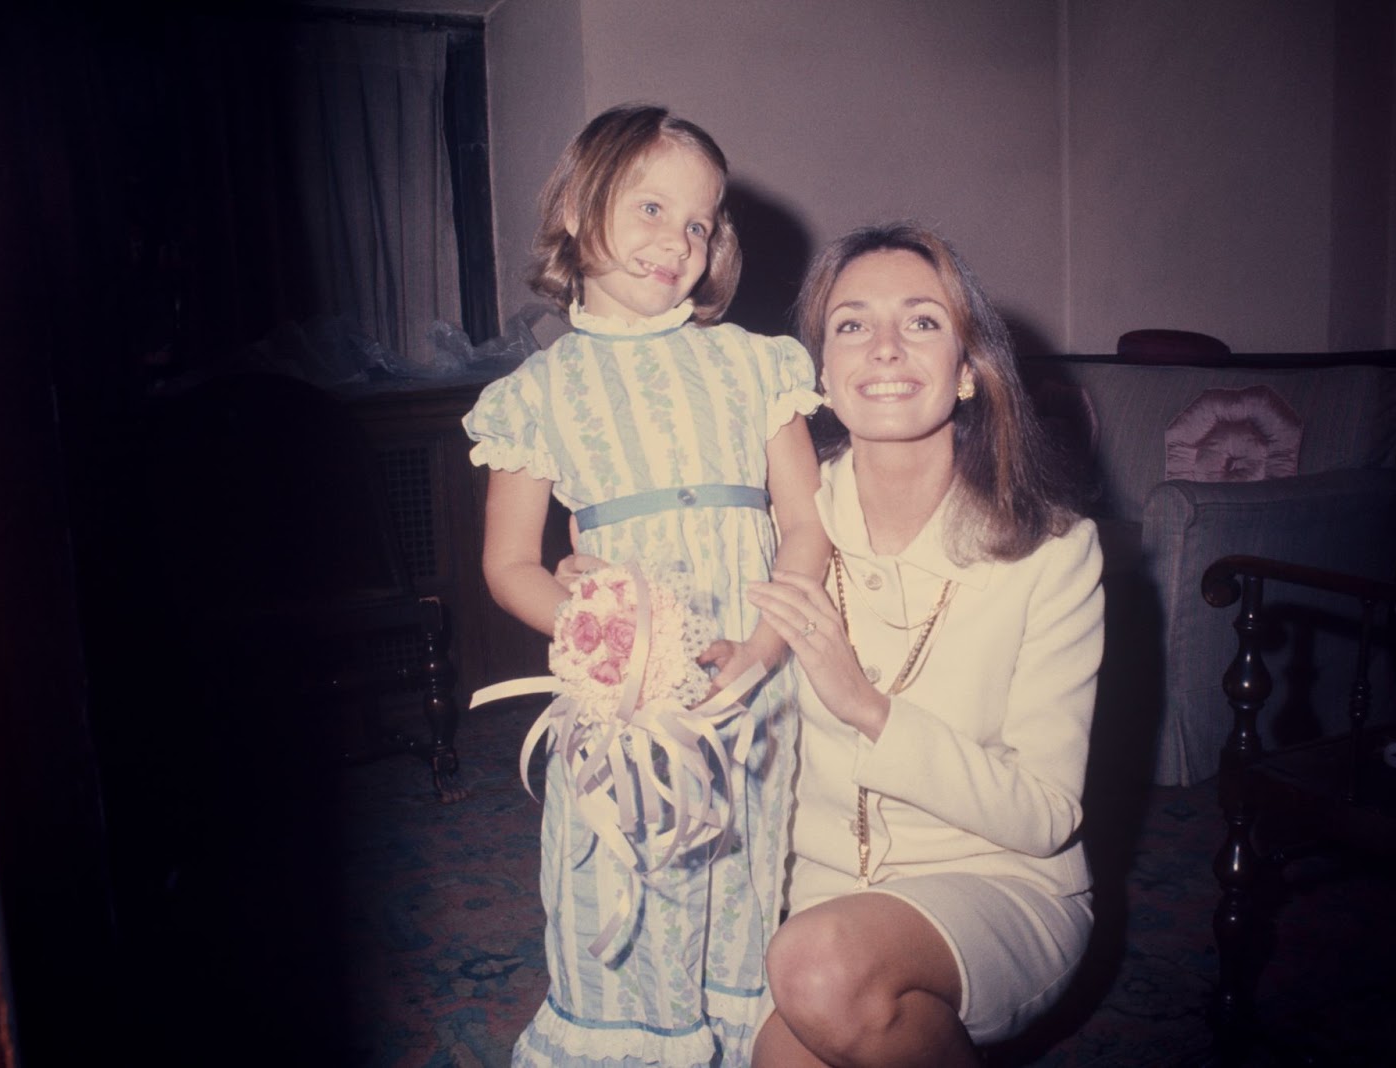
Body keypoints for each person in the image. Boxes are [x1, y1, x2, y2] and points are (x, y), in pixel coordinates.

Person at [463, 104, 828, 1067]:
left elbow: (805, 527)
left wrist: (764, 647)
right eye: (653, 208)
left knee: (745, 860)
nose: (679, 240)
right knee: (625, 864)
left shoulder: (756, 365)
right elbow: (510, 566)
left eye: (701, 222)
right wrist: (602, 628)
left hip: (752, 669)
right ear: (582, 210)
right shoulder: (535, 393)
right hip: (629, 690)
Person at [745, 222, 1104, 1066]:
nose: (886, 349)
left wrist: (868, 709)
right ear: (821, 379)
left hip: (1002, 882)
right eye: (852, 324)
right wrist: (606, 590)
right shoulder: (773, 531)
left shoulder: (1054, 550)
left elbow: (1046, 813)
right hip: (820, 892)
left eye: (923, 321)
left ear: (971, 370)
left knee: (819, 968)